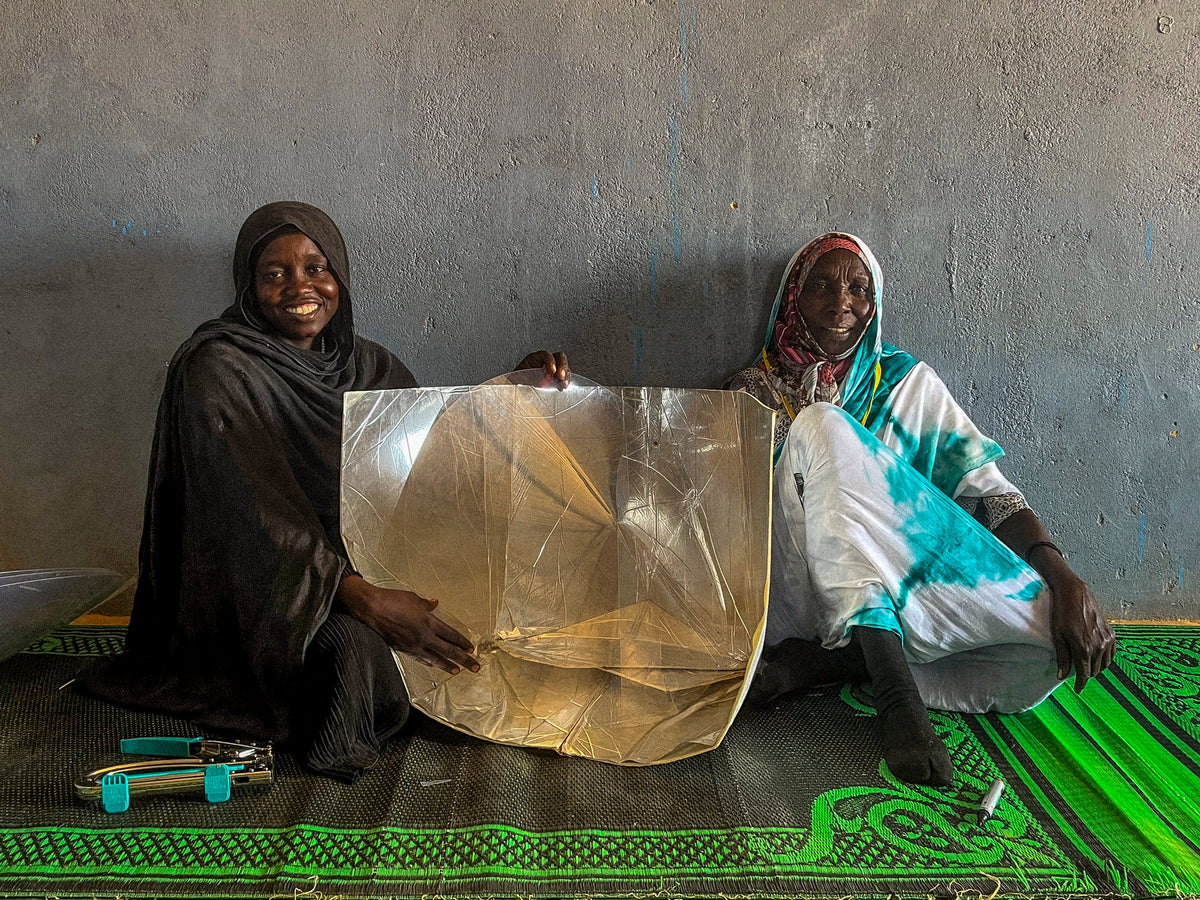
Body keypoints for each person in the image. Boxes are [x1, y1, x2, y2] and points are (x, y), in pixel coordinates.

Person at [78, 201, 569, 779]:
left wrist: (518, 393)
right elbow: (249, 517)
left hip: (363, 567)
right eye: (275, 274)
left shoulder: (367, 367)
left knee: (504, 622)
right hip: (263, 591)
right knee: (351, 657)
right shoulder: (217, 368)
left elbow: (435, 460)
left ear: (340, 276)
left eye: (317, 268)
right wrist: (359, 596)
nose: (300, 287)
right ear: (248, 286)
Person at [727, 232, 1114, 786]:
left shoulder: (909, 386)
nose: (841, 303)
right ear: (792, 299)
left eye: (858, 289)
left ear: (875, 306)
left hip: (890, 598)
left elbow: (987, 493)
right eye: (821, 286)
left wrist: (1065, 577)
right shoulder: (748, 393)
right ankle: (897, 700)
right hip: (793, 596)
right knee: (820, 424)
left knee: (1044, 645)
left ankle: (834, 662)